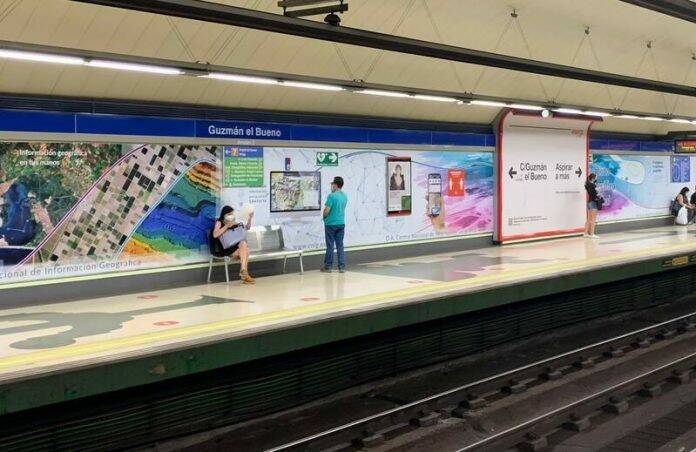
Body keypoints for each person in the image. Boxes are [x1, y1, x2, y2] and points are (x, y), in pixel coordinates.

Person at [212, 205, 255, 283]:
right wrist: (226, 226)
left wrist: (250, 218)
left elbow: (247, 228)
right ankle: (245, 275)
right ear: (224, 214)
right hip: (226, 249)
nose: (231, 215)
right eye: (229, 214)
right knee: (246, 250)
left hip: (235, 247)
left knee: (244, 244)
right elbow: (215, 235)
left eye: (232, 214)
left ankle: (243, 271)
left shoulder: (234, 221)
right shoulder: (219, 222)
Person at [322, 176, 348, 273]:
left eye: (332, 184)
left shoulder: (331, 196)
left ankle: (328, 266)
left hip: (330, 224)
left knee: (330, 245)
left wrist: (324, 217)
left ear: (336, 185)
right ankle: (341, 267)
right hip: (341, 223)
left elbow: (326, 210)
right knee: (340, 245)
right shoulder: (344, 196)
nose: (331, 186)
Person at [584, 173, 600, 238]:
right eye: (596, 177)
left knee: (589, 219)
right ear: (593, 178)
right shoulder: (593, 185)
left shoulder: (588, 185)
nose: (597, 178)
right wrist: (598, 192)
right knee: (593, 219)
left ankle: (585, 233)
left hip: (589, 202)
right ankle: (592, 234)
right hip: (593, 202)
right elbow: (596, 194)